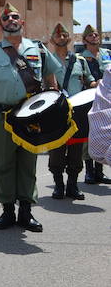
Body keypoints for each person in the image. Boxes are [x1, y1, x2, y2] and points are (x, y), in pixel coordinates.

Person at [0, 3, 62, 232]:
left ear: (22, 23)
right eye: (6, 18)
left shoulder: (38, 49)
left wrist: (55, 106)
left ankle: (26, 211)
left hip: (32, 116)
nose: (11, 20)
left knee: (27, 163)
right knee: (3, 164)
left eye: (15, 17)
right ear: (0, 24)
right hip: (0, 115)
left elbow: (51, 81)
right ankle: (7, 210)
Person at [47, 23, 90, 199]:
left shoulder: (80, 61)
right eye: (58, 36)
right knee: (57, 149)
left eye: (65, 35)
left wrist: (99, 84)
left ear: (69, 39)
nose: (62, 38)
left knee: (76, 150)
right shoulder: (47, 60)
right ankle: (58, 185)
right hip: (56, 111)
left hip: (78, 111)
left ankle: (72, 185)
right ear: (52, 40)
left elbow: (90, 80)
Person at [79, 25, 111, 185]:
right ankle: (89, 171)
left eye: (96, 34)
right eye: (90, 35)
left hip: (106, 100)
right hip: (89, 98)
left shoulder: (107, 54)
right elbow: (83, 78)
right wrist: (93, 83)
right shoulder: (81, 58)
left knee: (104, 134)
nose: (94, 37)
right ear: (84, 40)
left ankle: (100, 171)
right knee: (89, 134)